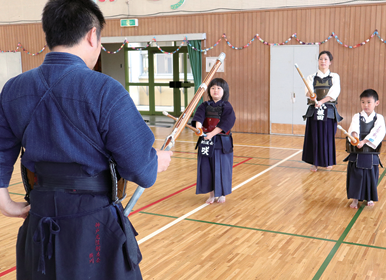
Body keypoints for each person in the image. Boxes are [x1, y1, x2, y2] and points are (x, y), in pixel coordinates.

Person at [0, 0, 172, 279]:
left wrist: (4, 202)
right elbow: (142, 170)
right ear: (92, 35)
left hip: (39, 219)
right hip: (92, 226)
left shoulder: (14, 88)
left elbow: (1, 150)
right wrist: (157, 161)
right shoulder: (105, 90)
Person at [192, 78, 236, 204]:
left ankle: (221, 194)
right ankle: (211, 195)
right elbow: (198, 117)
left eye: (218, 88)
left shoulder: (227, 106)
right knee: (207, 168)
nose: (215, 90)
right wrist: (199, 129)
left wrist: (212, 133)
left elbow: (227, 122)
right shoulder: (204, 105)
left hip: (221, 142)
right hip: (206, 141)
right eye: (212, 88)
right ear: (209, 91)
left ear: (224, 91)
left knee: (221, 168)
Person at [302, 50, 343, 172]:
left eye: (325, 59)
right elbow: (308, 92)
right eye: (321, 59)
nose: (323, 61)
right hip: (314, 109)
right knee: (314, 136)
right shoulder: (311, 77)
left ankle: (328, 161)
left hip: (328, 110)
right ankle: (314, 163)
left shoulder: (334, 76)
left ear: (330, 62)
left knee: (327, 136)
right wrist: (312, 96)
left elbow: (334, 93)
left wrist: (322, 101)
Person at [344, 89, 386, 209]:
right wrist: (355, 138)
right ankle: (355, 199)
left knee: (370, 175)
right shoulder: (357, 116)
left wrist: (364, 141)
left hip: (370, 151)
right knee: (356, 175)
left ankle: (369, 197)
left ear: (376, 103)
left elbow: (378, 132)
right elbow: (353, 129)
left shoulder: (379, 118)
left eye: (369, 102)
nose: (365, 105)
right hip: (357, 151)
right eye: (363, 102)